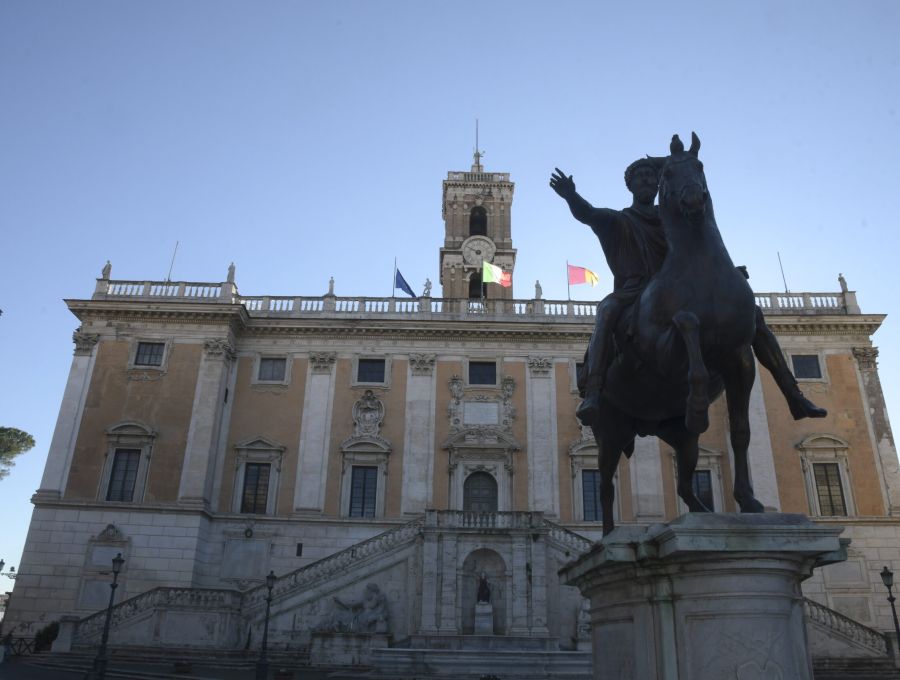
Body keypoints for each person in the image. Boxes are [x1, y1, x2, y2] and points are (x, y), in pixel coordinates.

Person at [551, 159, 826, 425]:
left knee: (752, 316)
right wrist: (570, 195)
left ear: (660, 184)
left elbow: (704, 245)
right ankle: (595, 391)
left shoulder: (673, 217)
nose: (646, 180)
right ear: (631, 185)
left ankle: (793, 394)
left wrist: (724, 270)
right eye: (640, 177)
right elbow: (588, 213)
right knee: (607, 310)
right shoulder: (619, 220)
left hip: (680, 287)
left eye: (651, 176)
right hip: (635, 290)